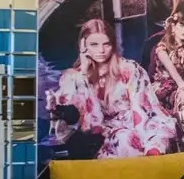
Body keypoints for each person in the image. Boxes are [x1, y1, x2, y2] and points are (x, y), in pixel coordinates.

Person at [47, 19, 177, 158]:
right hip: (98, 135)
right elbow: (86, 123)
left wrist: (144, 141)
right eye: (94, 45)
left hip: (136, 126)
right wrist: (84, 72)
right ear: (83, 46)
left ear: (113, 45)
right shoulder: (74, 77)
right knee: (120, 139)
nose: (101, 50)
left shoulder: (130, 69)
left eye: (106, 44)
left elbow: (141, 110)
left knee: (132, 139)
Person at [152, 11, 184, 136]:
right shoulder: (162, 47)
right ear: (173, 27)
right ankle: (181, 136)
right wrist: (183, 89)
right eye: (182, 26)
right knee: (181, 99)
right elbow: (172, 72)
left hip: (182, 85)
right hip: (164, 86)